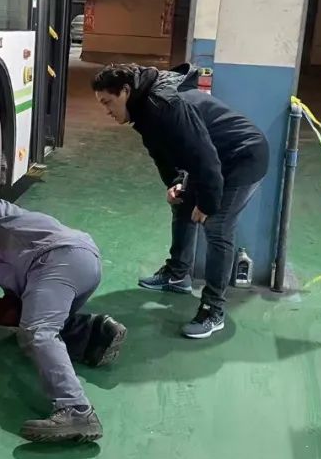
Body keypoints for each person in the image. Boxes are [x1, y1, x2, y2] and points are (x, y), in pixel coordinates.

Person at [0, 162, 126, 443]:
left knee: (39, 331)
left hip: (58, 258)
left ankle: (77, 411)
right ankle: (94, 336)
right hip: (84, 265)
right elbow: (17, 315)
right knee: (38, 325)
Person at [91, 63, 268, 340]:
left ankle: (213, 310)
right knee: (182, 201)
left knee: (217, 226)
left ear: (125, 91)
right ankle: (177, 275)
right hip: (214, 157)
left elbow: (204, 155)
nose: (107, 111)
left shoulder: (164, 104)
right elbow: (159, 151)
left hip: (243, 156)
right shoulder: (142, 106)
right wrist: (175, 182)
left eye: (107, 102)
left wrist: (207, 204)